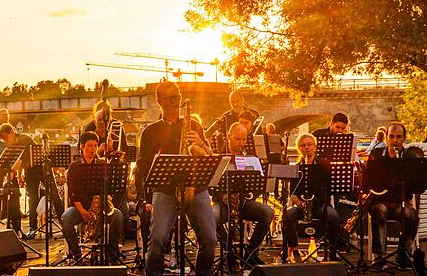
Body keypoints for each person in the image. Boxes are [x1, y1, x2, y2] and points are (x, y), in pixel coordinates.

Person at [136, 81, 216, 276]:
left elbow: (210, 157)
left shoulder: (194, 125)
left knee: (210, 240)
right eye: (171, 97)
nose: (176, 101)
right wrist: (149, 192)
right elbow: (142, 167)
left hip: (196, 189)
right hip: (165, 191)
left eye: (178, 96)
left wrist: (201, 145)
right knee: (157, 240)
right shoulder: (150, 131)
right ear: (159, 101)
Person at [213, 123, 274, 266]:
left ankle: (251, 253)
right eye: (237, 139)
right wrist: (223, 195)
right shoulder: (219, 158)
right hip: (222, 204)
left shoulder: (251, 158)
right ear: (229, 137)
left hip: (244, 203)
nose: (241, 143)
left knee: (268, 212)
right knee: (212, 216)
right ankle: (229, 252)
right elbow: (210, 185)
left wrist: (248, 195)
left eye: (244, 140)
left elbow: (259, 185)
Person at [61, 131, 124, 262]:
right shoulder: (74, 166)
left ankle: (112, 254)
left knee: (118, 216)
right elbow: (73, 194)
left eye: (95, 146)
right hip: (80, 208)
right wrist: (82, 211)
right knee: (66, 218)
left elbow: (110, 188)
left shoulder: (102, 164)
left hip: (99, 207)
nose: (93, 149)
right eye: (89, 145)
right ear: (82, 147)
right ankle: (77, 255)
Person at [367, 122, 423, 270]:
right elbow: (368, 180)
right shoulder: (376, 155)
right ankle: (380, 258)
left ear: (404, 139)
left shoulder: (410, 156)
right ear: (386, 138)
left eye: (399, 137)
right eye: (391, 136)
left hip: (401, 202)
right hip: (381, 201)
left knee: (412, 216)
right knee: (378, 210)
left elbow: (418, 183)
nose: (395, 140)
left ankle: (403, 255)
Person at [282, 133, 342, 262]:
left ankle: (332, 250)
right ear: (299, 148)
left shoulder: (324, 164)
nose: (307, 148)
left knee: (334, 218)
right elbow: (293, 192)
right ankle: (295, 249)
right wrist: (299, 204)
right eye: (303, 145)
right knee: (286, 216)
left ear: (315, 147)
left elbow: (330, 188)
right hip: (302, 206)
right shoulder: (296, 167)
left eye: (309, 145)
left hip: (320, 205)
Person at [0, 122, 35, 236]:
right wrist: (19, 176)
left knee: (49, 197)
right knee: (32, 198)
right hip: (28, 169)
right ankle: (29, 227)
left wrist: (14, 172)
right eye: (3, 140)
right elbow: (18, 159)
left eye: (6, 138)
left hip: (38, 168)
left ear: (12, 132)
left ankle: (63, 224)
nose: (6, 141)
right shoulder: (12, 143)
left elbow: (21, 159)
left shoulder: (23, 139)